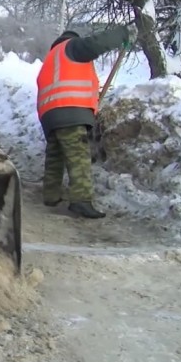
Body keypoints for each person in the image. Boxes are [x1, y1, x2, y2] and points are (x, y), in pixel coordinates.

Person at [36, 26, 130, 219]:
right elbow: (96, 44)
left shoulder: (51, 60)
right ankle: (81, 201)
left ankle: (51, 195)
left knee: (55, 156)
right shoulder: (71, 48)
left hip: (50, 116)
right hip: (70, 111)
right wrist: (121, 33)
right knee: (78, 156)